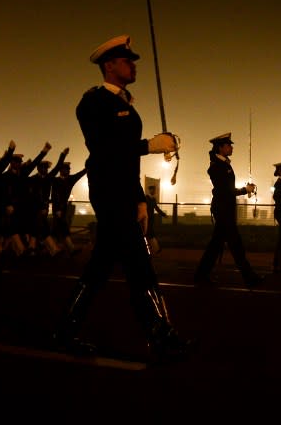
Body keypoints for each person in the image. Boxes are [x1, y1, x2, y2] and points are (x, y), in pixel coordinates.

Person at [51, 34, 195, 363]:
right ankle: (161, 334)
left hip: (123, 192)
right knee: (138, 264)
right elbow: (104, 149)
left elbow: (127, 163)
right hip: (108, 190)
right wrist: (149, 145)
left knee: (104, 266)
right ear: (109, 65)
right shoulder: (94, 102)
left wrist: (140, 199)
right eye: (127, 60)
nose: (133, 66)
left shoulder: (126, 103)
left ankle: (66, 330)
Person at [194, 133, 264, 288]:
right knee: (235, 244)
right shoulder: (216, 167)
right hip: (223, 209)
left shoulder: (224, 164)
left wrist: (244, 189)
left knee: (216, 245)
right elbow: (225, 190)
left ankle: (201, 275)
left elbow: (227, 189)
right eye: (228, 145)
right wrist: (245, 189)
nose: (231, 147)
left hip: (225, 209)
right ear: (220, 147)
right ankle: (249, 277)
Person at [144, 184, 167, 255]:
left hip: (150, 220)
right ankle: (156, 249)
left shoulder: (153, 199)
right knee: (149, 234)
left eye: (154, 190)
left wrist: (163, 214)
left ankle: (155, 249)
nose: (154, 191)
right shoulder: (145, 198)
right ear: (149, 190)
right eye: (153, 189)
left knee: (149, 234)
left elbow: (156, 208)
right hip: (145, 220)